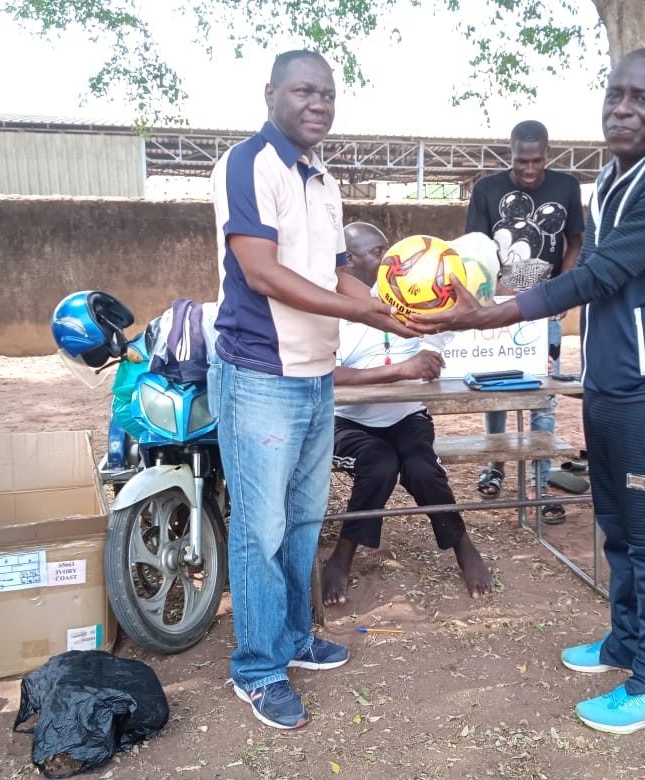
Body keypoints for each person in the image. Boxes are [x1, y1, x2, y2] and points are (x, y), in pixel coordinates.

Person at [408, 48, 645, 734]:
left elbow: (596, 276)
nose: (624, 109)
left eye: (643, 98)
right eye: (616, 95)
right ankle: (624, 644)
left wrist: (485, 314)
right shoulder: (611, 176)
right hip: (607, 384)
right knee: (616, 530)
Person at [208, 50, 415, 731]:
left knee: (300, 523)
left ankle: (295, 640)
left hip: (314, 379)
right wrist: (357, 312)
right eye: (304, 90)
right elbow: (261, 272)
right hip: (259, 376)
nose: (318, 103)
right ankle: (259, 669)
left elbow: (336, 277)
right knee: (260, 529)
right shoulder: (248, 165)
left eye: (327, 93)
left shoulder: (322, 179)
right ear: (272, 94)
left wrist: (394, 310)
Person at [322, 222, 494, 606]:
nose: (394, 259)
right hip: (349, 423)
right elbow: (328, 376)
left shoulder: (421, 300)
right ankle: (342, 557)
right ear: (348, 261)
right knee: (380, 466)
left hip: (408, 418)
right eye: (379, 251)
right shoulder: (335, 313)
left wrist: (468, 283)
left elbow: (476, 256)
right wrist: (402, 370)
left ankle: (463, 546)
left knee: (421, 468)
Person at [465, 120, 583, 518]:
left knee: (542, 394)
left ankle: (538, 481)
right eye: (520, 162)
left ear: (548, 154)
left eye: (536, 161)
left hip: (546, 309)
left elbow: (575, 242)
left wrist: (564, 288)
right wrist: (496, 298)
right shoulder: (486, 189)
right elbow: (475, 250)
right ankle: (495, 465)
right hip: (498, 308)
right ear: (509, 154)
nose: (529, 170)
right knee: (495, 389)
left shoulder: (566, 187)